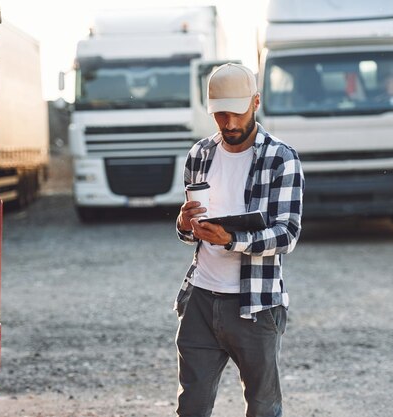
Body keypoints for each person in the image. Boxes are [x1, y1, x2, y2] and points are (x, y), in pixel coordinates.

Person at [174, 63, 304, 417]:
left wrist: (232, 239)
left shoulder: (281, 158)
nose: (229, 123)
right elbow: (188, 231)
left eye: (237, 113)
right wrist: (185, 223)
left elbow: (287, 234)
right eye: (220, 114)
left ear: (256, 102)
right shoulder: (199, 154)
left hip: (256, 305)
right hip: (200, 298)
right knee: (191, 407)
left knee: (263, 408)